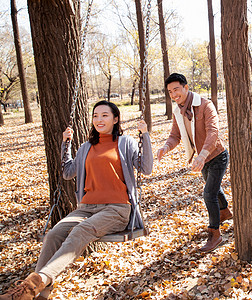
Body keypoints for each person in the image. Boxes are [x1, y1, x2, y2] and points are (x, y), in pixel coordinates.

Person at [0, 100, 153, 300]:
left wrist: (146, 135)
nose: (99, 119)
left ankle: (27, 289)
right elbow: (68, 172)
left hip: (116, 209)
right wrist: (66, 144)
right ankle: (40, 294)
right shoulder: (86, 147)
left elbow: (146, 168)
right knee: (53, 235)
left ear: (115, 119)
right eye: (96, 115)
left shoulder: (126, 142)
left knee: (81, 231)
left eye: (105, 115)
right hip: (87, 208)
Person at [157, 73, 231, 253]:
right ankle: (226, 213)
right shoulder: (177, 111)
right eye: (170, 91)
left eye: (176, 89)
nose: (174, 94)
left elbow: (213, 132)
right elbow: (174, 135)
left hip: (217, 156)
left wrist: (203, 155)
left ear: (186, 88)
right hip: (201, 159)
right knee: (214, 188)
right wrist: (165, 148)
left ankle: (215, 233)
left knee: (208, 193)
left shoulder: (205, 105)